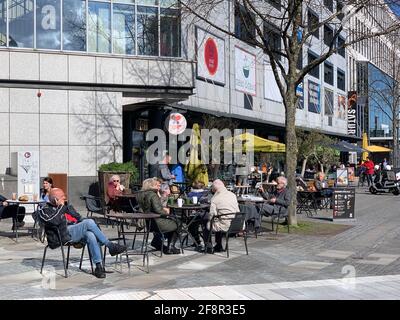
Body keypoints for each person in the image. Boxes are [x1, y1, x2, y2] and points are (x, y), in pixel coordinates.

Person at [38, 188, 127, 279]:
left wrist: (71, 211)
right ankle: (110, 246)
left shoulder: (65, 206)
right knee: (89, 222)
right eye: (62, 197)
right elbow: (53, 221)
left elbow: (79, 218)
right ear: (56, 199)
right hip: (60, 236)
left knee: (90, 234)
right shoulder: (44, 210)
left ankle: (98, 266)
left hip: (71, 231)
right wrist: (61, 208)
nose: (65, 198)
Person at [136, 178, 181, 254]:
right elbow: (158, 210)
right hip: (157, 222)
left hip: (148, 222)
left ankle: (157, 241)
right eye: (156, 185)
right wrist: (166, 212)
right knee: (178, 223)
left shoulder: (140, 194)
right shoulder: (152, 195)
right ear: (151, 185)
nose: (159, 187)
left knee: (171, 222)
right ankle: (170, 247)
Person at [203, 179, 239, 254]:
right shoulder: (233, 195)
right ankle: (218, 245)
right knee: (218, 220)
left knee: (206, 222)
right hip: (237, 224)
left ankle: (208, 247)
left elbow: (212, 215)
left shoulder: (215, 199)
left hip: (225, 226)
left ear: (214, 189)